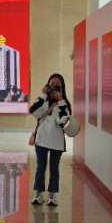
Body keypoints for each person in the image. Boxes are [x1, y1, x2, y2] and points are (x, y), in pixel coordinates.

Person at [30, 74, 72, 206]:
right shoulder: (43, 101)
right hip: (41, 139)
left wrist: (61, 101)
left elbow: (62, 121)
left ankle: (52, 195)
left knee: (54, 168)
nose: (54, 86)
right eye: (52, 84)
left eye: (57, 84)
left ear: (62, 87)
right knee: (40, 167)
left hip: (56, 141)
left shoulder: (64, 104)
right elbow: (34, 112)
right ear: (47, 85)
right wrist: (43, 95)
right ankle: (38, 194)